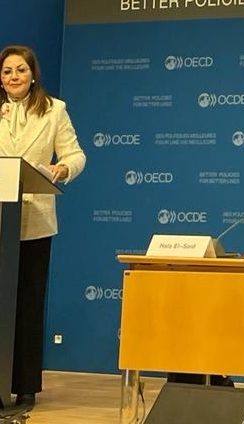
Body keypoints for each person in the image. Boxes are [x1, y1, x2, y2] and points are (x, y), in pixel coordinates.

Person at [0, 45, 86, 408]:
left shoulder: (54, 110)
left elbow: (75, 155)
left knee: (28, 304)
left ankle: (24, 387)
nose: (14, 77)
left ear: (33, 74)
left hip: (34, 222)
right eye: (7, 71)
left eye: (20, 70)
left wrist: (61, 169)